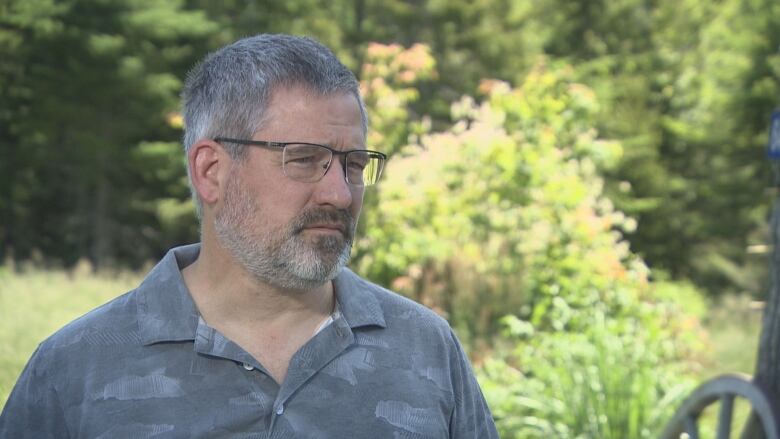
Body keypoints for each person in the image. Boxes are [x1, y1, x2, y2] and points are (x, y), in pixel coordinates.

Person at [0, 34, 499, 438]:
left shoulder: (426, 350)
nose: (340, 195)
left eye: (352, 164)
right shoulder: (76, 370)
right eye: (304, 159)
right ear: (212, 170)